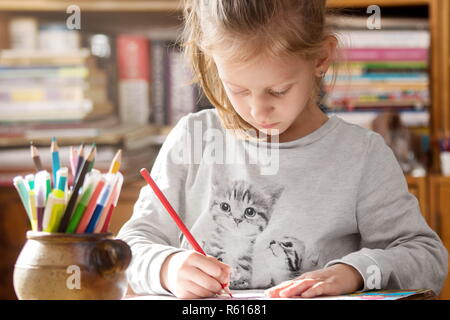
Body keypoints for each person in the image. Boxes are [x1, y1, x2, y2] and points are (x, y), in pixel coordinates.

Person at [117, 0, 448, 299]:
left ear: (321, 58)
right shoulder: (194, 137)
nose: (259, 111)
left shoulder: (362, 155)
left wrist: (354, 273)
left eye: (277, 91)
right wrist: (167, 268)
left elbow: (427, 258)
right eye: (238, 89)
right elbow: (127, 249)